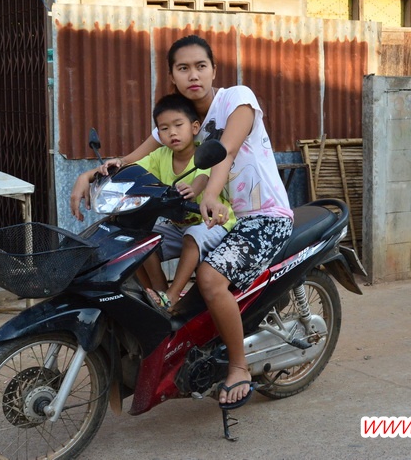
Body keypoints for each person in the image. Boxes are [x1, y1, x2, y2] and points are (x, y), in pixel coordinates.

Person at [70, 34, 293, 408]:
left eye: (201, 66)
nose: (194, 75)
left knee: (210, 278)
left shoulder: (237, 99)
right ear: (172, 76)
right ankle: (166, 308)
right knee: (135, 239)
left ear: (214, 70)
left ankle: (238, 367)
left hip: (264, 218)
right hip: (215, 216)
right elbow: (131, 159)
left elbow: (225, 151)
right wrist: (89, 175)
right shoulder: (183, 119)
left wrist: (209, 192)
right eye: (183, 68)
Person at [133, 93, 236, 309]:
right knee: (140, 242)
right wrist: (112, 170)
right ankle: (159, 295)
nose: (172, 132)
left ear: (195, 127)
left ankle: (172, 295)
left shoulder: (204, 153)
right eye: (164, 128)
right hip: (178, 225)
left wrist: (193, 189)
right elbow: (134, 170)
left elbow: (203, 176)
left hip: (214, 222)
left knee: (192, 236)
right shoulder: (159, 156)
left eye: (178, 125)